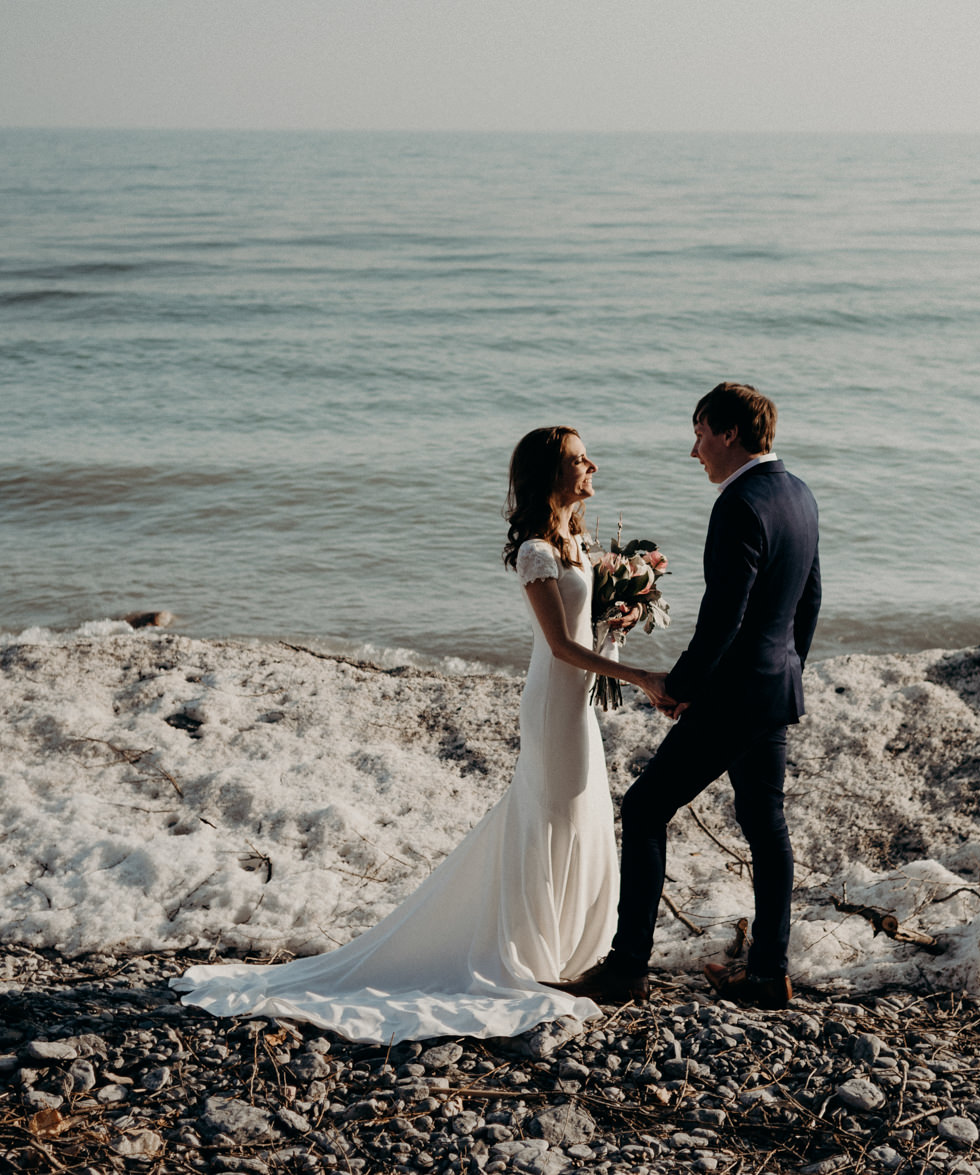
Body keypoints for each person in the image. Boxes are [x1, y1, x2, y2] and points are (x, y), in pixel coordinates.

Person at [169, 426, 663, 1042]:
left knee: (580, 814)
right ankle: (524, 953)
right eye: (577, 458)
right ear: (549, 474)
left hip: (577, 706)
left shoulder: (578, 543)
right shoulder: (537, 550)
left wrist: (620, 622)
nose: (592, 464)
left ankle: (568, 950)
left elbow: (585, 636)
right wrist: (642, 677)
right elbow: (561, 647)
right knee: (549, 816)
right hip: (551, 705)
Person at [553, 382, 821, 1010]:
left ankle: (625, 969)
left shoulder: (739, 503)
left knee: (646, 808)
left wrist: (679, 685)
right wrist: (786, 671)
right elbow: (809, 600)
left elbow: (723, 614)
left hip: (732, 694)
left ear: (729, 433)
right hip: (773, 688)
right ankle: (767, 974)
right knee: (765, 823)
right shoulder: (798, 494)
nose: (694, 448)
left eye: (700, 433)